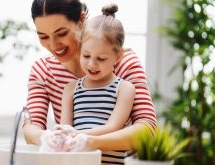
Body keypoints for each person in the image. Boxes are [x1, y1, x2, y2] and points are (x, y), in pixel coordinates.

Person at [24, 0, 156, 160]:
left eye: (61, 33)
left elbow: (147, 129)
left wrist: (91, 141)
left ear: (81, 20)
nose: (53, 45)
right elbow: (31, 127)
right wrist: (47, 139)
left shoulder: (124, 62)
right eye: (43, 36)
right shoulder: (43, 70)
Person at [59, 3, 135, 164]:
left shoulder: (124, 89)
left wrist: (79, 136)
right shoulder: (71, 89)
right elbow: (65, 128)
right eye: (86, 55)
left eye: (101, 58)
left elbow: (113, 126)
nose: (92, 64)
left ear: (119, 56)